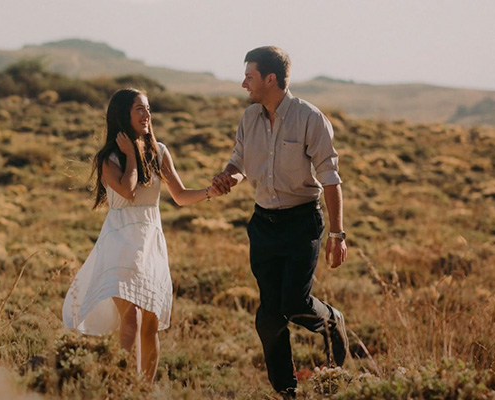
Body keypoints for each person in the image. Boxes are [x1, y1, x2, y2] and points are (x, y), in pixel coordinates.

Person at [211, 46, 349, 398]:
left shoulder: (310, 118)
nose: (244, 84)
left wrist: (337, 234)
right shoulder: (249, 119)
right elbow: (239, 163)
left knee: (294, 304)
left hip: (301, 223)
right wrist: (228, 176)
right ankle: (287, 391)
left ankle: (332, 321)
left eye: (250, 77)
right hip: (263, 224)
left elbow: (331, 178)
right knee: (268, 317)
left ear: (270, 79)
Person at [62, 88, 222, 383]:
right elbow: (128, 190)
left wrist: (210, 192)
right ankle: (124, 386)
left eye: (148, 108)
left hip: (150, 244)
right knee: (132, 317)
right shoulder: (108, 158)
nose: (147, 115)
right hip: (119, 244)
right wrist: (130, 156)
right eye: (139, 109)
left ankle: (143, 389)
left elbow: (181, 196)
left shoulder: (159, 152)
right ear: (124, 114)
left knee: (150, 324)